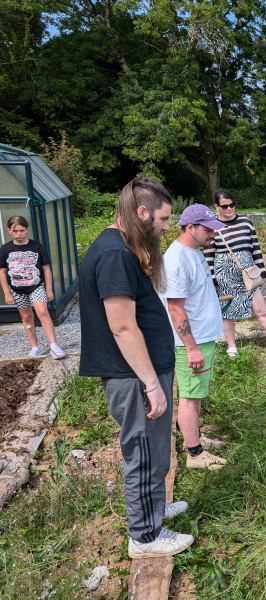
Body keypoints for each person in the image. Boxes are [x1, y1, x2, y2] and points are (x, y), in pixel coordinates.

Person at [79, 177, 193, 559]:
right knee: (143, 452)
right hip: (133, 379)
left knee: (155, 450)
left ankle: (154, 508)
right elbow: (123, 327)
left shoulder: (123, 247)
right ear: (142, 212)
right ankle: (144, 537)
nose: (167, 227)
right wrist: (152, 384)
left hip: (143, 374)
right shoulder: (114, 254)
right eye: (163, 219)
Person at [162, 204, 228, 470]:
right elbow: (175, 308)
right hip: (191, 343)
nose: (213, 234)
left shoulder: (193, 252)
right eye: (207, 229)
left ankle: (195, 438)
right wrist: (190, 348)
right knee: (189, 397)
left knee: (196, 393)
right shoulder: (177, 260)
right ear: (190, 228)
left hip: (201, 337)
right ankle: (195, 454)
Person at [205, 189, 266, 358]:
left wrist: (262, 272)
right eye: (225, 206)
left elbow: (256, 248)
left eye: (232, 204)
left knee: (261, 309)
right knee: (228, 312)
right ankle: (232, 347)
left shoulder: (246, 222)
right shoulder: (212, 227)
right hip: (225, 274)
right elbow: (208, 257)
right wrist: (213, 280)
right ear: (216, 206)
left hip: (248, 273)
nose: (229, 208)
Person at [0, 216, 66, 359]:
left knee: (42, 311)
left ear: (27, 229)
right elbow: (2, 272)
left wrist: (49, 289)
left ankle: (54, 345)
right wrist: (7, 293)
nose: (19, 234)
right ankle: (35, 347)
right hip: (17, 289)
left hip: (36, 286)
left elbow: (46, 269)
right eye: (15, 231)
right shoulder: (5, 249)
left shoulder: (36, 247)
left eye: (22, 230)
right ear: (9, 230)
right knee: (26, 316)